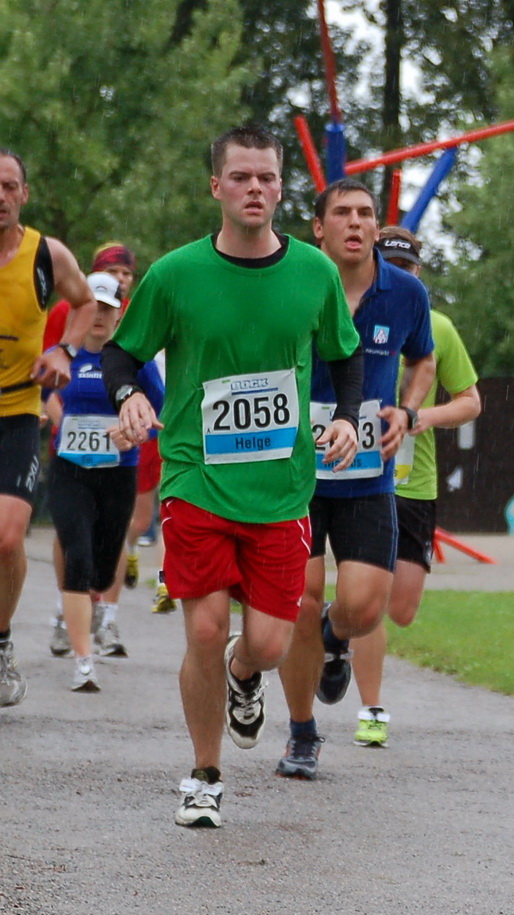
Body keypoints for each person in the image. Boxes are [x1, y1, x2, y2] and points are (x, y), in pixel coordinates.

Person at [104, 124, 363, 828]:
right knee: (203, 627)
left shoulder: (313, 273)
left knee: (272, 643)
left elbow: (345, 357)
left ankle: (244, 673)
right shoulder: (175, 274)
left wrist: (343, 416)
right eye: (242, 177)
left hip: (281, 488)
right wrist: (129, 395)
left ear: (282, 188)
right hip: (196, 479)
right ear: (216, 186)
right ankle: (205, 773)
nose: (256, 189)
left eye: (268, 178)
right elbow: (122, 355)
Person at [273, 180, 434, 779]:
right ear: (318, 227)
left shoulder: (406, 293)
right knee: (300, 598)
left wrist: (408, 410)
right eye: (341, 212)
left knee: (364, 608)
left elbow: (424, 359)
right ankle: (301, 733)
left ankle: (334, 640)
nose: (355, 222)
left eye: (365, 213)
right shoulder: (293, 285)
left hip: (369, 477)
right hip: (299, 479)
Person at [348, 225, 481, 748]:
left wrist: (420, 416)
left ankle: (332, 628)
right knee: (373, 599)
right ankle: (372, 707)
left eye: (408, 269)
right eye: (390, 266)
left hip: (413, 482)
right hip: (354, 475)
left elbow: (471, 402)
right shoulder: (350, 312)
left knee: (400, 608)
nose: (400, 276)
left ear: (419, 274)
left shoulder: (438, 327)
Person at [0, 146, 94, 709]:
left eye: (10, 185)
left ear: (24, 195)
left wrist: (63, 347)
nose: (0, 195)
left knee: (9, 536)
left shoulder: (46, 255)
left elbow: (83, 303)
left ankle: (1, 642)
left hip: (15, 411)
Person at [46, 271, 163, 690]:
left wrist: (134, 431)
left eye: (108, 308)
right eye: (93, 306)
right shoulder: (66, 354)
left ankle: (93, 601)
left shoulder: (136, 363)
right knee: (75, 553)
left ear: (119, 315)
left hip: (118, 472)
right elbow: (44, 391)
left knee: (102, 564)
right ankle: (83, 661)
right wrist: (61, 421)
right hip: (69, 470)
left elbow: (156, 415)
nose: (99, 315)